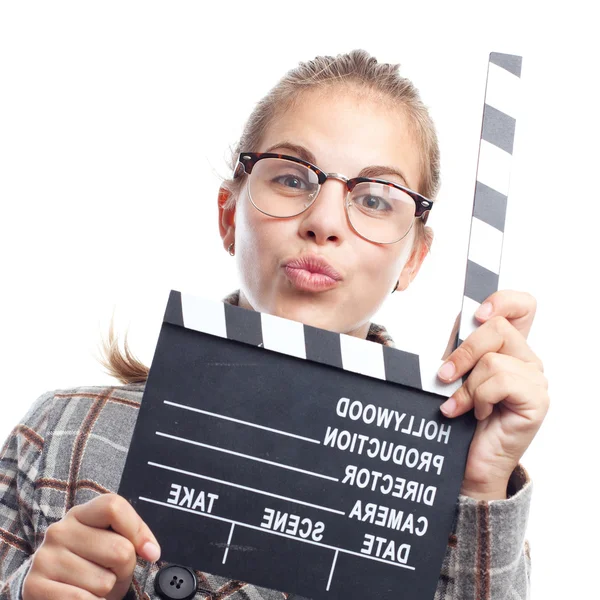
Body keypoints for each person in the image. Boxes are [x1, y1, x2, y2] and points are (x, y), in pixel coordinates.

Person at [0, 49, 549, 600]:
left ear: (412, 259)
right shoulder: (63, 429)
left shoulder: (447, 501)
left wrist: (480, 479)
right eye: (291, 178)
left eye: (376, 199)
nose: (325, 221)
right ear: (228, 216)